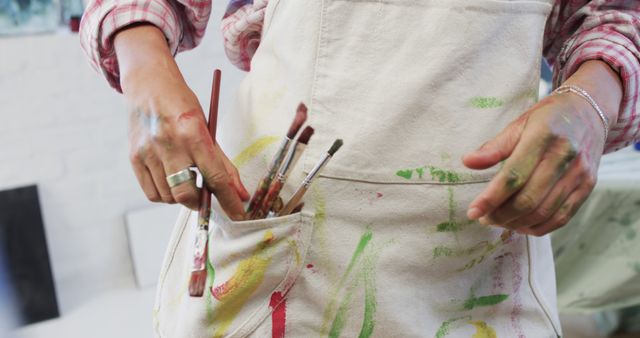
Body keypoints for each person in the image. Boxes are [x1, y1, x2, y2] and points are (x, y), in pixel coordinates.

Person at [80, 0, 640, 336]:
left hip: (477, 257)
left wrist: (590, 101)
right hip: (282, 231)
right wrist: (144, 68)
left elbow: (616, 17)